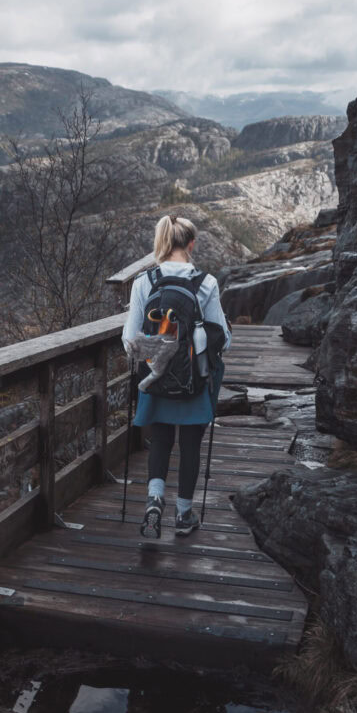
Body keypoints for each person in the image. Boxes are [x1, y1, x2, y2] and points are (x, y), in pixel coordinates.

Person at [122, 214, 231, 539]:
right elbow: (222, 337)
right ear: (192, 243)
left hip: (156, 376)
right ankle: (183, 515)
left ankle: (154, 499)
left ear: (162, 242)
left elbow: (130, 339)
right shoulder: (206, 283)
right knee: (190, 445)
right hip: (193, 377)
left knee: (161, 439)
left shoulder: (145, 282)